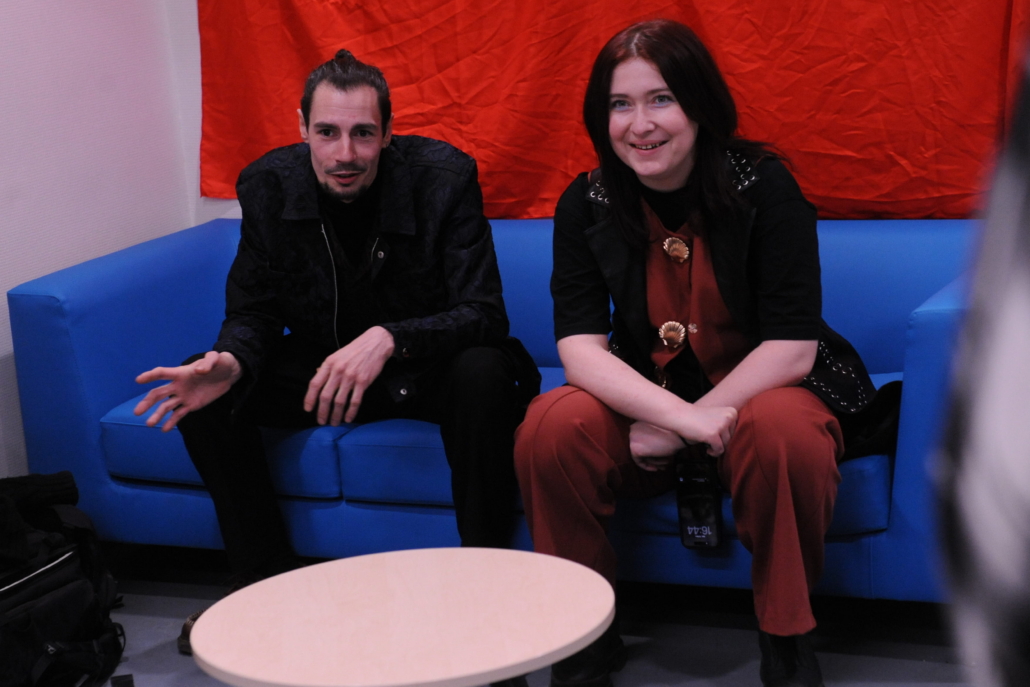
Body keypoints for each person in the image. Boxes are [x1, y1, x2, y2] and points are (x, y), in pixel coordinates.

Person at [134, 49, 537, 657]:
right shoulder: (267, 185)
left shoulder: (444, 177)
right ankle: (262, 586)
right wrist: (232, 359)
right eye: (327, 132)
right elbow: (254, 311)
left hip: (425, 368)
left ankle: (484, 585)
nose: (344, 154)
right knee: (209, 385)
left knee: (484, 370)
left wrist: (389, 337)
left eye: (362, 134)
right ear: (303, 129)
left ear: (388, 134)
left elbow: (484, 312)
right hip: (327, 373)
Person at [514, 19, 877, 687]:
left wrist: (688, 426)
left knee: (786, 431)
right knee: (549, 425)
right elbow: (580, 351)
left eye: (661, 99)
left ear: (700, 105)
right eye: (620, 104)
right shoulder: (586, 201)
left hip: (761, 393)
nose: (640, 124)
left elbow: (792, 347)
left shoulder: (764, 186)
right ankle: (582, 638)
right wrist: (679, 420)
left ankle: (787, 640)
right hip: (653, 402)